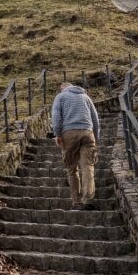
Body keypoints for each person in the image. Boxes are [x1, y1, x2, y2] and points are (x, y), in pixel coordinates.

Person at [51, 82, 100, 210]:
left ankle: (77, 202)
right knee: (88, 167)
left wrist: (57, 134)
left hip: (69, 134)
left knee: (72, 169)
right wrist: (96, 138)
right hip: (88, 133)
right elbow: (95, 119)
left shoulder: (61, 97)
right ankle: (88, 199)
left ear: (62, 89)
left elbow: (56, 116)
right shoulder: (86, 97)